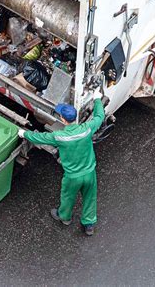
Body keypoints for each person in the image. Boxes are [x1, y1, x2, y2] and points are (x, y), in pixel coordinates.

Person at [19, 90, 106, 236]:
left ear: (63, 120)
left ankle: (65, 217)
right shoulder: (87, 129)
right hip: (89, 173)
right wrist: (97, 100)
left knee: (67, 197)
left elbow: (40, 138)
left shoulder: (60, 136)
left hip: (72, 177)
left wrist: (24, 133)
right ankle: (89, 224)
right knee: (90, 197)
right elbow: (99, 116)